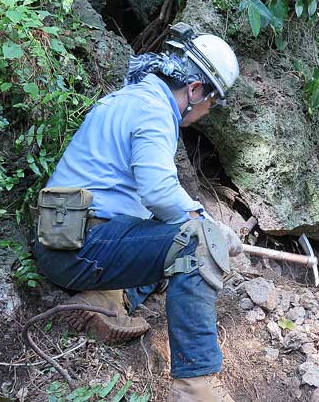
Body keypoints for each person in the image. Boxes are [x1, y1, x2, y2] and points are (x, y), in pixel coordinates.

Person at [33, 23, 242, 402]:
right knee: (197, 244)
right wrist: (211, 229)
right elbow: (160, 193)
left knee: (172, 245)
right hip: (85, 245)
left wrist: (195, 218)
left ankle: (108, 300)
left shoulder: (128, 98)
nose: (206, 112)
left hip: (65, 241)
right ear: (195, 90)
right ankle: (194, 386)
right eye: (211, 104)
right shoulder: (153, 113)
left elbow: (151, 203)